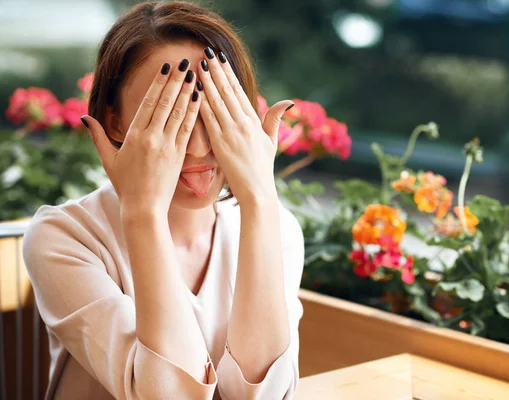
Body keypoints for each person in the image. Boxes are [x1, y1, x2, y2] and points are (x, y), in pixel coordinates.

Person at [22, 1, 304, 399]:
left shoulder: (279, 230)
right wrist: (142, 214)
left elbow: (262, 396)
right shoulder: (64, 238)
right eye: (170, 116)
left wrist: (259, 199)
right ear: (114, 119)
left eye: (214, 112)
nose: (199, 147)